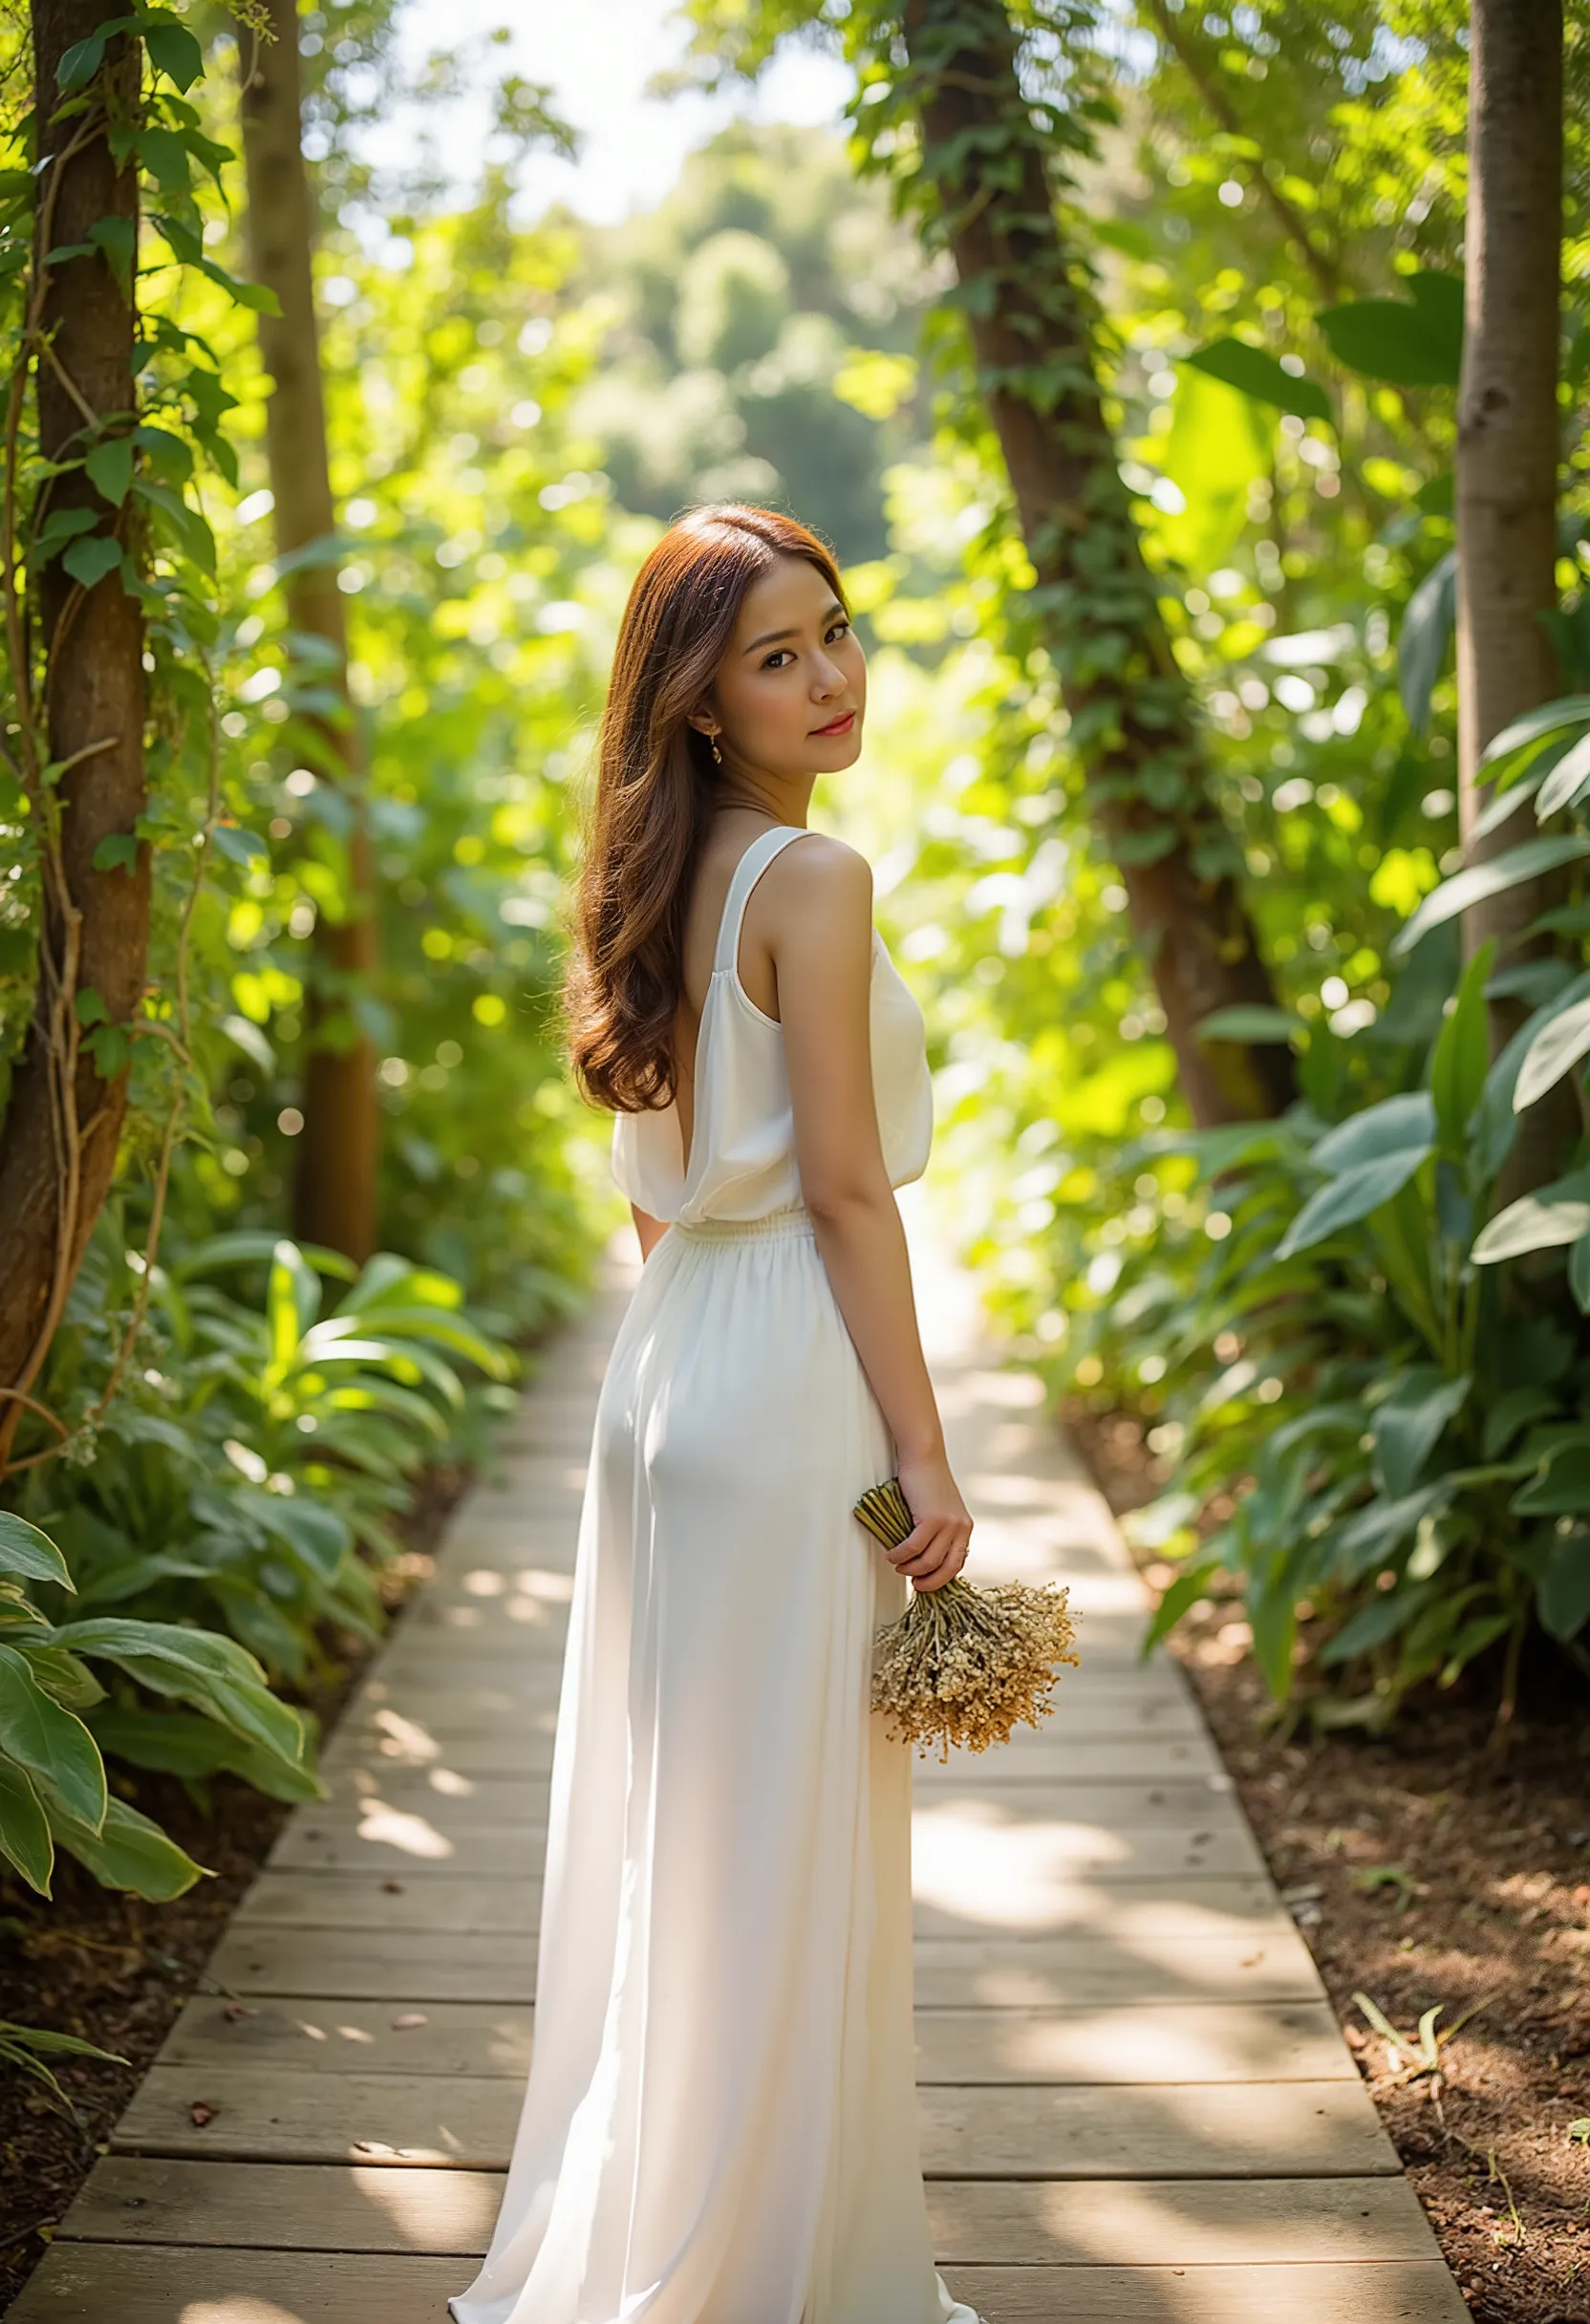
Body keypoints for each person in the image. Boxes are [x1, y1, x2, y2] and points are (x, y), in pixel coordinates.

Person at [446, 503, 980, 2324]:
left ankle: (676, 2225)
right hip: (778, 1373)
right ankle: (760, 2269)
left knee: (694, 1824)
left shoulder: (657, 874)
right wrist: (920, 1448)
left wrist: (718, 1329)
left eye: (835, 631)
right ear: (697, 699)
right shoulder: (812, 886)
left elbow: (653, 1189)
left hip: (671, 1362)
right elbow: (845, 1191)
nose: (830, 678)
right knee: (785, 1829)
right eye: (776, 654)